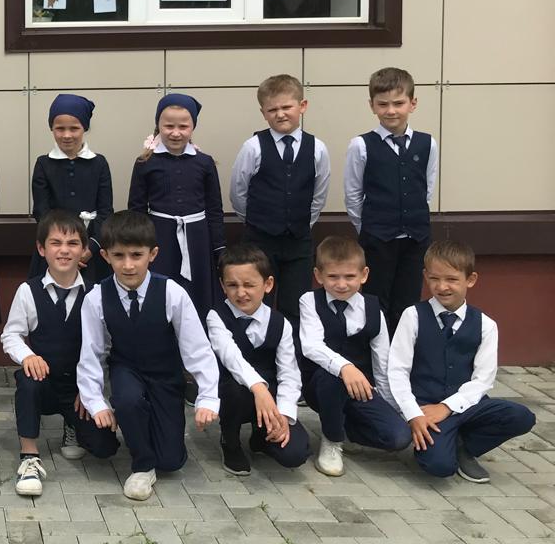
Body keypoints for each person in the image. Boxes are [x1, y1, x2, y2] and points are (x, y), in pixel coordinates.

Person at [76, 211, 220, 501]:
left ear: (152, 254)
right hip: (126, 369)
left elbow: (197, 349)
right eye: (119, 256)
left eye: (136, 255)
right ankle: (141, 464)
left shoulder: (172, 293)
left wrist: (207, 397)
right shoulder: (95, 298)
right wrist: (96, 401)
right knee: (127, 398)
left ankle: (151, 430)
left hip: (165, 376)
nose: (128, 265)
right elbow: (91, 354)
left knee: (171, 461)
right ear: (105, 256)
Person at [388, 241, 535, 483]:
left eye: (452, 279)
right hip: (425, 409)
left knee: (521, 416)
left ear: (471, 279)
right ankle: (446, 444)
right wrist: (413, 414)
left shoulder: (486, 325)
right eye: (434, 279)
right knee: (439, 467)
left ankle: (464, 447)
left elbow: (483, 380)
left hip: (467, 406)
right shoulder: (413, 316)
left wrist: (447, 408)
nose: (442, 286)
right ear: (425, 276)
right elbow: (397, 370)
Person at [0, 210, 117, 497]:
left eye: (73, 243)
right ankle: (29, 456)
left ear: (84, 250)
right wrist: (27, 356)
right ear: (42, 249)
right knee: (27, 381)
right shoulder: (27, 291)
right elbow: (10, 335)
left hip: (78, 387)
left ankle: (71, 425)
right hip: (44, 383)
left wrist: (92, 391)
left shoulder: (96, 294)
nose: (64, 250)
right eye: (56, 243)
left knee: (105, 448)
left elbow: (105, 347)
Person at [298, 236, 411, 477]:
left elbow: (382, 363)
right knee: (333, 376)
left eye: (349, 276)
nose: (341, 284)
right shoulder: (309, 301)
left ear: (364, 275)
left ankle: (345, 430)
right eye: (333, 277)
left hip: (361, 389)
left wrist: (393, 408)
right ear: (318, 275)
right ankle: (332, 440)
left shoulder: (374, 309)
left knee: (399, 437)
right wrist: (345, 367)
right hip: (320, 386)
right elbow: (311, 345)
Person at [229, 75, 330, 326]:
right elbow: (238, 192)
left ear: (302, 106)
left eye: (287, 107)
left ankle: (292, 349)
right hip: (260, 239)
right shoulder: (253, 147)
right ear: (263, 113)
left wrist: (302, 223)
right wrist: (256, 221)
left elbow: (319, 194)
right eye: (272, 109)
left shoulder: (317, 148)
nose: (280, 114)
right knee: (256, 301)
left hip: (298, 241)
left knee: (296, 304)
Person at [343, 67, 439, 326]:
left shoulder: (427, 143)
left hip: (415, 239)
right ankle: (377, 350)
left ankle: (403, 351)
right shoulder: (361, 145)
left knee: (408, 302)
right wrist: (369, 229)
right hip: (377, 239)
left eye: (398, 103)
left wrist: (413, 220)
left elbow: (426, 188)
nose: (391, 110)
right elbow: (353, 195)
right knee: (376, 302)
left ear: (412, 104)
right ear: (372, 105)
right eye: (383, 104)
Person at [207, 245, 310, 477]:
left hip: (270, 397)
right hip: (234, 393)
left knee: (295, 454)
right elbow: (230, 356)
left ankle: (262, 435)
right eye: (232, 285)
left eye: (249, 285)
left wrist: (284, 415)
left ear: (268, 284)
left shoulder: (280, 323)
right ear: (222, 285)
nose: (241, 293)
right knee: (235, 390)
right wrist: (258, 388)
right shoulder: (216, 316)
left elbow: (289, 373)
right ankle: (230, 440)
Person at [128, 93, 225, 318]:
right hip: (160, 237)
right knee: (162, 290)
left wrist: (219, 247)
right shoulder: (145, 163)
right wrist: (140, 244)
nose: (175, 132)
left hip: (198, 238)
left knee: (197, 293)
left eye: (183, 126)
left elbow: (214, 208)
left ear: (193, 127)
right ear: (158, 125)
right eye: (168, 126)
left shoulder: (205, 162)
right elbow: (137, 209)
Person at [30, 93, 113, 284]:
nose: (67, 135)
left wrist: (89, 248)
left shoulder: (99, 163)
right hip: (55, 250)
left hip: (91, 251)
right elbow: (42, 211)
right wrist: (62, 248)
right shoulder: (43, 164)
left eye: (74, 128)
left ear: (84, 128)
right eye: (60, 129)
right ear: (52, 128)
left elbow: (105, 211)